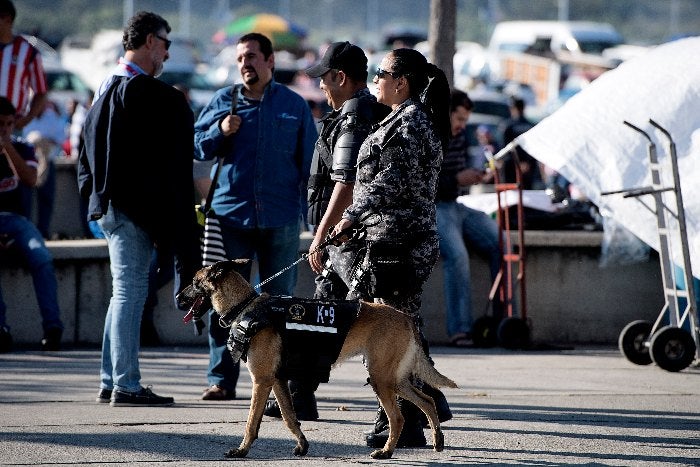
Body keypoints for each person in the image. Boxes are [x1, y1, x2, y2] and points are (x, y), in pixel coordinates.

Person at [261, 41, 390, 421]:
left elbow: (346, 182)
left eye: (325, 78)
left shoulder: (356, 115)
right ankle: (300, 394)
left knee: (379, 320)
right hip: (343, 238)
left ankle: (413, 410)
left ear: (341, 77)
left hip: (351, 241)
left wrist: (320, 236)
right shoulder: (352, 112)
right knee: (319, 316)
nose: (320, 86)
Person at [331, 48, 451, 449]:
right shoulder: (401, 119)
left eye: (382, 73)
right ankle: (410, 412)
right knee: (397, 332)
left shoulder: (412, 123)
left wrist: (349, 216)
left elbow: (390, 183)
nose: (375, 80)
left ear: (401, 82)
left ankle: (404, 421)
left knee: (391, 334)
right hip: (388, 242)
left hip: (399, 248)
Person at [78, 11, 200, 407]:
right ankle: (126, 385)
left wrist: (94, 197)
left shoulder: (105, 85)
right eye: (164, 42)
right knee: (131, 290)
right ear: (149, 41)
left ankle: (109, 378)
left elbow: (87, 153)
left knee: (122, 292)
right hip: (129, 210)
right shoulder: (142, 91)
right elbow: (156, 166)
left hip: (109, 206)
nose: (166, 51)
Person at [194, 32, 316, 401]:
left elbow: (310, 162)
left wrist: (311, 215)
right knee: (227, 302)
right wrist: (219, 130)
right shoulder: (223, 101)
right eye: (240, 59)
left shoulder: (294, 106)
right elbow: (197, 143)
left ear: (270, 61)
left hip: (280, 218)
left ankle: (280, 378)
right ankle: (221, 378)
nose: (245, 64)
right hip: (233, 217)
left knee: (280, 302)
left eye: (251, 57)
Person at [436, 90, 502, 347]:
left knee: (501, 244)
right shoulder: (429, 136)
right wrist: (455, 180)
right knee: (458, 255)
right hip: (434, 207)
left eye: (465, 120)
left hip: (456, 203)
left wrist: (475, 176)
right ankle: (460, 329)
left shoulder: (461, 136)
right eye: (459, 119)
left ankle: (502, 320)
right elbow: (421, 183)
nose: (462, 126)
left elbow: (457, 176)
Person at [0, 96, 63, 352]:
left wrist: (7, 148)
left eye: (8, 124)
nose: (4, 129)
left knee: (42, 257)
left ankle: (52, 327)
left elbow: (30, 179)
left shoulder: (23, 147)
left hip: (17, 221)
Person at [22, 100, 68, 238]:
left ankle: (42, 231)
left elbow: (61, 137)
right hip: (28, 163)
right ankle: (26, 232)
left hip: (47, 163)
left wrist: (44, 141)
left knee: (46, 199)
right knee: (26, 200)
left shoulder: (52, 117)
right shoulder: (24, 117)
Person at [0, 0, 48, 130]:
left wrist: (27, 119)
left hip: (11, 126)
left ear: (7, 19)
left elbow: (41, 92)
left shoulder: (28, 52)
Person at [499, 96, 544, 189]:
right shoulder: (530, 125)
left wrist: (519, 163)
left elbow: (504, 149)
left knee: (512, 195)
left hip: (512, 167)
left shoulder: (507, 126)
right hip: (527, 166)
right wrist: (526, 163)